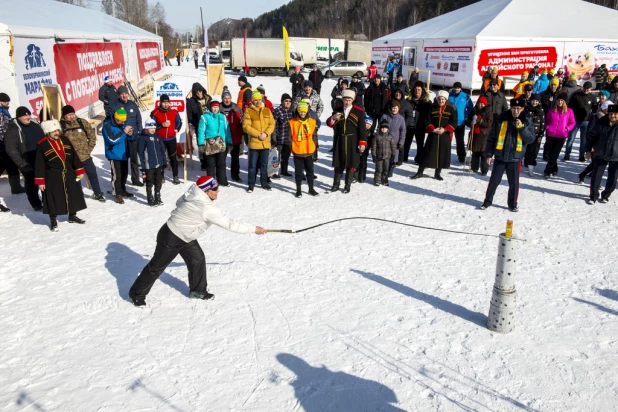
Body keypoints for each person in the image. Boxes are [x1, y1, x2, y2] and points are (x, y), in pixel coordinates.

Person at [128, 176, 267, 307]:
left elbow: (179, 202)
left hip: (186, 235)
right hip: (171, 236)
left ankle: (198, 291)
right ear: (206, 191)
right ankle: (136, 294)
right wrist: (254, 229)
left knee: (197, 258)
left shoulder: (192, 193)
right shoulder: (206, 207)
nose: (218, 190)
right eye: (215, 188)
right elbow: (230, 224)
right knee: (156, 267)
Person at [481, 98, 535, 212]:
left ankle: (512, 204)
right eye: (514, 108)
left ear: (522, 109)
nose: (516, 111)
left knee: (514, 184)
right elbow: (491, 138)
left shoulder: (527, 120)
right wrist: (489, 154)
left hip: (515, 158)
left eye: (518, 108)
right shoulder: (501, 118)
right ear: (510, 108)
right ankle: (487, 201)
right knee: (494, 181)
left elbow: (530, 139)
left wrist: (521, 128)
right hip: (500, 156)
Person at [35, 119, 87, 231]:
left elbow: (73, 156)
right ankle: (53, 220)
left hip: (68, 172)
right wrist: (40, 181)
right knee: (53, 198)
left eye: (57, 130)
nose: (56, 133)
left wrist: (78, 170)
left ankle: (72, 215)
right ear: (48, 132)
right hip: (52, 175)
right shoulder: (42, 144)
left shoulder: (65, 139)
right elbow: (39, 164)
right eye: (53, 131)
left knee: (72, 194)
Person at [60, 105, 105, 202]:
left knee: (92, 174)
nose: (72, 116)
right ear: (64, 116)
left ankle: (98, 193)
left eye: (73, 114)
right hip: (71, 159)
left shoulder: (82, 122)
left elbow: (92, 137)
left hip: (85, 156)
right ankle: (78, 196)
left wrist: (87, 150)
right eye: (69, 115)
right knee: (75, 178)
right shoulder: (60, 126)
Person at [326, 89, 367, 193]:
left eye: (349, 100)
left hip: (352, 140)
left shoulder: (359, 111)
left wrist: (362, 142)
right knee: (338, 163)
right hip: (339, 139)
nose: (347, 102)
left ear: (352, 100)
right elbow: (330, 124)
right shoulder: (337, 109)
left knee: (351, 163)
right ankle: (336, 184)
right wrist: (334, 118)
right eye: (345, 100)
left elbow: (362, 128)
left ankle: (347, 185)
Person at [410, 90, 457, 181]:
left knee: (441, 154)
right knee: (427, 153)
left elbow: (454, 122)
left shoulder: (451, 109)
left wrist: (445, 129)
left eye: (443, 99)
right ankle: (420, 172)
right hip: (433, 134)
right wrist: (433, 129)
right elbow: (427, 121)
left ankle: (437, 173)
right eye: (439, 99)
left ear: (446, 99)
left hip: (445, 134)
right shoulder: (432, 108)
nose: (441, 101)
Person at [4, 106, 44, 211]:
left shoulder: (35, 124)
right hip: (27, 161)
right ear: (18, 117)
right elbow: (11, 149)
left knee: (45, 180)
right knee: (31, 183)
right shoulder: (13, 129)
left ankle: (48, 202)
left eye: (28, 114)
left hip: (41, 158)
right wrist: (21, 164)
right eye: (24, 115)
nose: (28, 117)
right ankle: (36, 204)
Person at [110, 85, 143, 186]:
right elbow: (111, 122)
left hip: (133, 137)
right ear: (119, 95)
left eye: (126, 93)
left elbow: (138, 120)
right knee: (121, 160)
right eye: (122, 94)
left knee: (134, 159)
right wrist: (123, 131)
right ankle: (119, 182)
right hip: (122, 138)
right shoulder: (114, 106)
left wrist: (138, 132)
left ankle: (135, 179)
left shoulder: (133, 105)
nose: (124, 95)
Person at [243, 90, 275, 193]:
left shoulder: (267, 110)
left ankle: (264, 183)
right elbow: (246, 126)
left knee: (264, 165)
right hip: (254, 144)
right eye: (255, 100)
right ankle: (251, 184)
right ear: (252, 101)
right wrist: (258, 134)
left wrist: (266, 134)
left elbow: (272, 124)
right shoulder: (248, 111)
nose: (257, 102)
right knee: (252, 165)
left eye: (259, 99)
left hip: (265, 143)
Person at [585, 104, 618, 204]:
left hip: (616, 155)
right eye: (611, 114)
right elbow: (591, 136)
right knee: (596, 176)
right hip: (600, 153)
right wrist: (588, 150)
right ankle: (593, 196)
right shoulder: (600, 123)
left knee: (613, 178)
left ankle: (606, 195)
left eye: (615, 114)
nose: (612, 116)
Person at [103, 107, 133, 204]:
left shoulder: (124, 123)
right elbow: (112, 140)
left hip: (124, 154)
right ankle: (117, 194)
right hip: (114, 154)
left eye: (124, 120)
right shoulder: (107, 126)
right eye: (120, 121)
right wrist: (124, 132)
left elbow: (127, 137)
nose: (122, 123)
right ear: (115, 118)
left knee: (124, 174)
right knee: (117, 175)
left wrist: (130, 134)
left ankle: (122, 189)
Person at [150, 94, 182, 185]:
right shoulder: (154, 113)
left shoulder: (174, 112)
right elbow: (151, 126)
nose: (166, 104)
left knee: (173, 158)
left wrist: (177, 129)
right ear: (160, 103)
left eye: (167, 102)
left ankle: (175, 176)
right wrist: (161, 125)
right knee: (161, 158)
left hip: (171, 138)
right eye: (164, 102)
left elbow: (179, 122)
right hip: (160, 139)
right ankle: (161, 176)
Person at [577, 100, 612, 184]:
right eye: (609, 109)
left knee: (597, 164)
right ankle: (590, 180)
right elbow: (590, 131)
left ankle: (584, 175)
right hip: (596, 144)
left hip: (606, 145)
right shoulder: (597, 117)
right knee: (596, 164)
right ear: (604, 109)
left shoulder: (610, 118)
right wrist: (590, 145)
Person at [289, 101, 319, 198]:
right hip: (297, 151)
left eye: (304, 111)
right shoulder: (292, 122)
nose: (302, 113)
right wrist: (292, 148)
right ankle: (298, 190)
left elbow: (314, 136)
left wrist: (314, 148)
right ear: (298, 111)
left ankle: (311, 188)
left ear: (307, 111)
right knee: (298, 173)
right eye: (300, 111)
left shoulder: (312, 122)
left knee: (310, 172)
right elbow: (289, 137)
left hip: (309, 151)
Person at [197, 101, 231, 187]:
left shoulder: (222, 117)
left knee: (221, 163)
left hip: (221, 143)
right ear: (210, 108)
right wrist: (201, 144)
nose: (215, 109)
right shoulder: (204, 117)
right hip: (210, 144)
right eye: (213, 107)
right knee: (210, 164)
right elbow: (201, 131)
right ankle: (211, 183)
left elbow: (227, 130)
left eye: (217, 107)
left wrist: (229, 141)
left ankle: (222, 180)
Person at [543, 93, 576, 178]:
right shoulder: (551, 110)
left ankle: (548, 171)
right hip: (550, 134)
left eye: (562, 100)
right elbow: (547, 120)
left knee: (555, 154)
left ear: (565, 102)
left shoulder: (569, 111)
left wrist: (567, 128)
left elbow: (573, 122)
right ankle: (554, 168)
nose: (560, 102)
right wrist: (547, 127)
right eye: (559, 100)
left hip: (561, 135)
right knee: (550, 154)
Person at [0, 93, 26, 195]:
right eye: (6, 102)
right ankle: (15, 187)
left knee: (12, 163)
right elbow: (2, 129)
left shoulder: (4, 111)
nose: (7, 104)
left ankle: (16, 187)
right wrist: (8, 141)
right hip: (2, 144)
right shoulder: (1, 113)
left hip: (6, 143)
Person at [564, 81, 597, 161]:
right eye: (585, 88)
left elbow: (595, 109)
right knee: (571, 138)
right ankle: (567, 154)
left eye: (588, 89)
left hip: (586, 121)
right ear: (582, 87)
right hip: (575, 120)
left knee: (583, 140)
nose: (586, 90)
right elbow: (569, 108)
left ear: (591, 89)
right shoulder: (576, 95)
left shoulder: (592, 97)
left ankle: (581, 156)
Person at [137, 119, 167, 206]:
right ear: (146, 128)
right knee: (149, 182)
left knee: (158, 181)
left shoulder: (157, 137)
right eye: (150, 128)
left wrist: (164, 161)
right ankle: (150, 198)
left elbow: (162, 150)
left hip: (158, 164)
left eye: (154, 128)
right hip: (148, 165)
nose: (152, 130)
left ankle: (157, 196)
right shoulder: (142, 138)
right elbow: (140, 153)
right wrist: (141, 165)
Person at [220, 88, 244, 182]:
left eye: (228, 98)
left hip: (235, 138)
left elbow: (242, 123)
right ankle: (221, 177)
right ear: (222, 99)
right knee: (221, 159)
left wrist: (241, 135)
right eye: (225, 98)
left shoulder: (237, 109)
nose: (227, 100)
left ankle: (235, 175)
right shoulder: (218, 109)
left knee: (235, 159)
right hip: (222, 139)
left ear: (231, 98)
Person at [465, 96, 493, 175]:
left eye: (482, 104)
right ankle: (474, 167)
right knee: (475, 153)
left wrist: (478, 120)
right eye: (479, 103)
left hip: (484, 135)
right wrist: (469, 122)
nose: (480, 105)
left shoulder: (489, 113)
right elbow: (469, 120)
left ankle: (484, 170)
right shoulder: (474, 111)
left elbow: (488, 123)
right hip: (475, 134)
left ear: (485, 104)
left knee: (484, 154)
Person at [186, 82, 212, 170]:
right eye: (196, 92)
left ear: (202, 90)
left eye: (200, 91)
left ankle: (210, 161)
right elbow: (189, 115)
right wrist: (193, 124)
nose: (199, 93)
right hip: (199, 126)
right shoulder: (190, 102)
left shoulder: (209, 99)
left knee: (210, 142)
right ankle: (203, 163)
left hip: (210, 125)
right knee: (201, 144)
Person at [385, 89, 413, 166]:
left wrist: (404, 124)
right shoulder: (389, 102)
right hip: (389, 126)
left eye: (399, 93)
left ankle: (400, 159)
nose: (398, 94)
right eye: (396, 92)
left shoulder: (406, 104)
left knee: (400, 144)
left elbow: (410, 116)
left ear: (402, 94)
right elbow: (384, 112)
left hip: (401, 126)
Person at [448, 82, 474, 163]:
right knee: (447, 139)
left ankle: (461, 156)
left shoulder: (465, 96)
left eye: (458, 88)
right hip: (450, 121)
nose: (456, 89)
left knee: (460, 140)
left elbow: (470, 107)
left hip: (460, 122)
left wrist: (465, 115)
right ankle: (445, 154)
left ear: (460, 88)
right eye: (455, 88)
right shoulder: (449, 95)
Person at [380, 100, 406, 178]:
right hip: (385, 140)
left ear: (398, 109)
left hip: (395, 141)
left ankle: (390, 170)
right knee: (384, 155)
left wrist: (401, 142)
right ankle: (383, 170)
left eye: (396, 108)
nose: (394, 109)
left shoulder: (401, 119)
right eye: (393, 108)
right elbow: (380, 127)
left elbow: (403, 131)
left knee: (393, 156)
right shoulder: (385, 116)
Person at [407, 82, 431, 164]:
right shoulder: (408, 101)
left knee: (420, 144)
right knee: (407, 142)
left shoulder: (426, 102)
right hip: (409, 125)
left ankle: (419, 159)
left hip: (420, 126)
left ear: (422, 91)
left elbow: (430, 115)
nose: (417, 91)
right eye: (416, 89)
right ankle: (404, 156)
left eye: (419, 90)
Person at [523, 94, 545, 176]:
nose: (534, 102)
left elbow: (542, 124)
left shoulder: (541, 111)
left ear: (539, 102)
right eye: (533, 100)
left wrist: (540, 135)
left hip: (535, 134)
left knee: (533, 152)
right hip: (526, 133)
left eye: (536, 101)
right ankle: (525, 162)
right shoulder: (526, 109)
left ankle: (530, 168)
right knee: (525, 150)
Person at [272, 93, 294, 179]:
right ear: (282, 102)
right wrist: (275, 137)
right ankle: (274, 173)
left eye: (289, 101)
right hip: (279, 138)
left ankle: (284, 171)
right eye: (286, 101)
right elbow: (273, 125)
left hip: (288, 139)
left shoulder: (292, 112)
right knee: (276, 157)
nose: (288, 102)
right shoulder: (277, 111)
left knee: (286, 157)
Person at [371, 120, 396, 186]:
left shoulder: (390, 136)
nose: (384, 129)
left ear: (388, 128)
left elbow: (393, 146)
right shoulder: (376, 136)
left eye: (385, 128)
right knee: (378, 169)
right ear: (380, 128)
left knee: (386, 169)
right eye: (382, 127)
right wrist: (373, 155)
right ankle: (377, 180)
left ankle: (384, 180)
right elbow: (374, 146)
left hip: (387, 157)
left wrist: (393, 155)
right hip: (379, 156)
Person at [356, 116, 375, 184]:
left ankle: (362, 177)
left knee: (363, 164)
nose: (368, 125)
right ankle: (355, 176)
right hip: (357, 149)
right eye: (366, 123)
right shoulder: (359, 130)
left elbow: (372, 143)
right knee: (356, 163)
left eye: (370, 124)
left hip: (365, 151)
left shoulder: (371, 133)